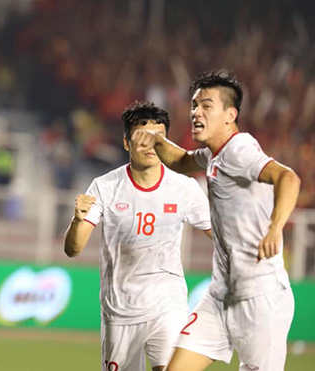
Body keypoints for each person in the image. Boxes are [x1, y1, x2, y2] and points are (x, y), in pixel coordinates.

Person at [131, 71, 300, 371]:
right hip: (221, 295)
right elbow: (181, 162)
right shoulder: (214, 154)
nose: (196, 112)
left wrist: (275, 229)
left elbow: (288, 177)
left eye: (206, 106)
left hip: (259, 299)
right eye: (195, 105)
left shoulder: (239, 150)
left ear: (230, 115)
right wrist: (156, 139)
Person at [64, 101, 212, 371]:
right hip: (119, 312)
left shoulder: (184, 187)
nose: (149, 145)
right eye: (141, 138)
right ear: (126, 142)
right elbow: (73, 249)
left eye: (157, 138)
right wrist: (76, 220)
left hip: (167, 305)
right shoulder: (105, 187)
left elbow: (220, 235)